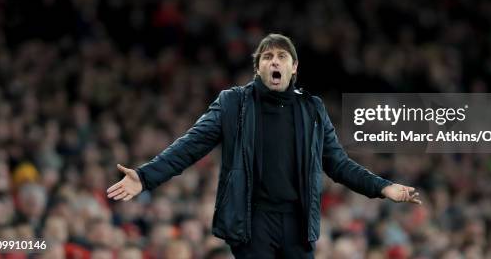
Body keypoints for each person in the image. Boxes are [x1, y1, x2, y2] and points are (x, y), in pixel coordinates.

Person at [107, 33, 421, 258]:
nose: (274, 61)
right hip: (251, 221)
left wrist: (383, 188)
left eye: (281, 56)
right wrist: (145, 176)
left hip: (298, 224)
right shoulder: (233, 103)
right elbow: (191, 146)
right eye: (267, 56)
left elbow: (338, 164)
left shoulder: (312, 109)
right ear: (258, 67)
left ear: (293, 67)